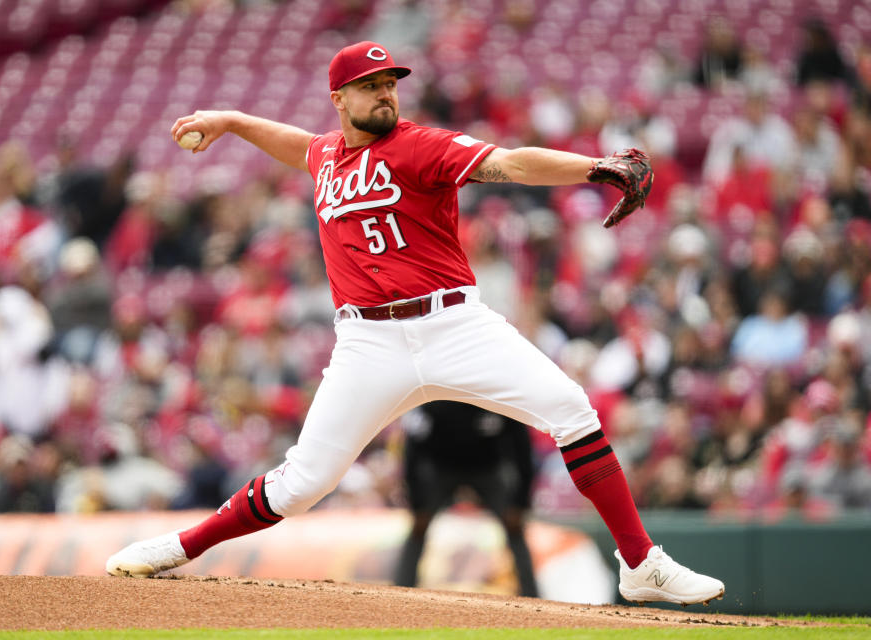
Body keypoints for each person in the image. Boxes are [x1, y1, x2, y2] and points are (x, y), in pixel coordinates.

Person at [106, 41, 725, 606]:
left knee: (571, 408)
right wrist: (233, 121)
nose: (385, 93)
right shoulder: (326, 153)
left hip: (454, 324)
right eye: (371, 85)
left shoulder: (419, 144)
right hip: (367, 342)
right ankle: (181, 548)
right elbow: (299, 144)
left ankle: (641, 562)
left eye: (391, 83)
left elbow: (511, 163)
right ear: (339, 99)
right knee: (301, 485)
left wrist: (593, 167)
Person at [394, 401, 539, 597]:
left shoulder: (498, 398)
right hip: (441, 470)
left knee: (515, 529)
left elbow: (522, 450)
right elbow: (411, 452)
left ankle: (532, 595)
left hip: (489, 470)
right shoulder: (435, 400)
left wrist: (519, 502)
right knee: (417, 529)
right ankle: (400, 591)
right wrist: (417, 502)